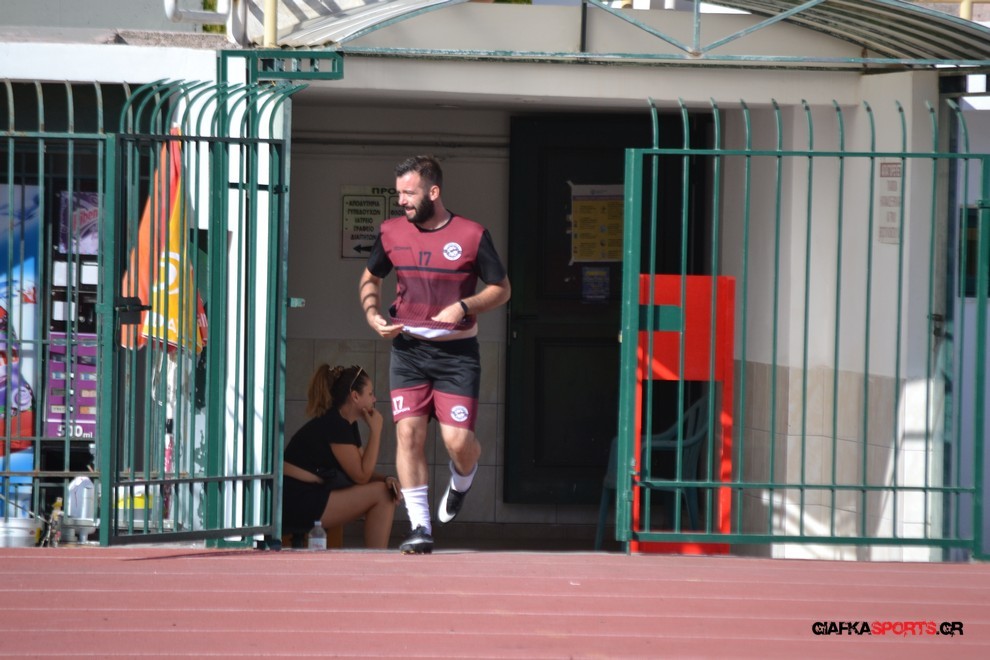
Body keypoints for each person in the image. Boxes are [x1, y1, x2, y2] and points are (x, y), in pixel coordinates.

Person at [358, 155, 511, 554]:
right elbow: (371, 277)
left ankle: (462, 478)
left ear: (434, 191)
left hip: (457, 354)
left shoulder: (472, 234)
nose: (401, 201)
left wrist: (464, 306)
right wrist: (372, 315)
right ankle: (420, 526)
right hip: (408, 351)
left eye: (409, 193)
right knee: (408, 434)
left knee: (457, 442)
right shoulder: (391, 231)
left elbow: (502, 289)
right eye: (399, 194)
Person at [282, 364, 400, 549]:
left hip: (312, 494)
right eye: (370, 394)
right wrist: (376, 431)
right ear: (355, 396)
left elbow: (362, 468)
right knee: (383, 494)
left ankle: (377, 556)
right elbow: (361, 476)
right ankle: (377, 559)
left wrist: (386, 479)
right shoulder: (335, 424)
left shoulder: (347, 424)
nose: (374, 399)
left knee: (385, 489)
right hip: (297, 500)